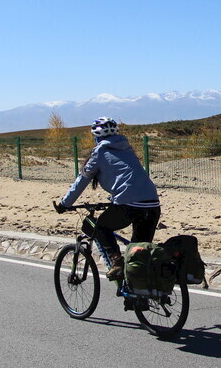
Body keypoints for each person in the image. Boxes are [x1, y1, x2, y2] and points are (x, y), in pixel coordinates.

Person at [53, 117, 160, 280]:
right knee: (138, 254)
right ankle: (139, 296)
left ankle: (116, 261)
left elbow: (81, 180)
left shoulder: (99, 152)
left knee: (100, 227)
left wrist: (64, 204)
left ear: (97, 137)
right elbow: (128, 178)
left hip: (129, 205)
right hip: (152, 204)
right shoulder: (128, 149)